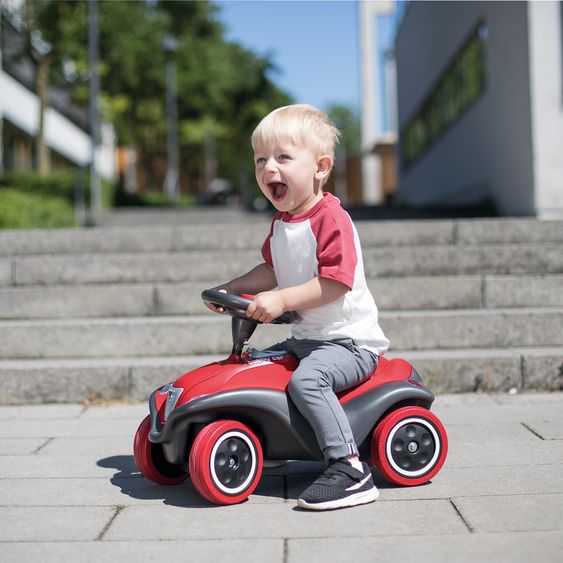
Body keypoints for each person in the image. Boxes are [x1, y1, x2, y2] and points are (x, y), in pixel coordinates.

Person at [206, 104, 390, 510]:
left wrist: (282, 300)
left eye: (283, 158)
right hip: (307, 338)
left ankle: (349, 468)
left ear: (320, 167)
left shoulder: (331, 219)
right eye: (260, 160)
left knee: (307, 382)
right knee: (255, 369)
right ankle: (270, 439)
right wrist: (234, 287)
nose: (268, 168)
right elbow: (272, 268)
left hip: (349, 344)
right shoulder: (282, 222)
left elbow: (335, 283)